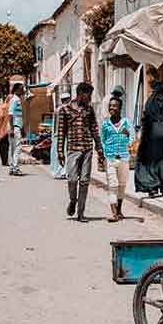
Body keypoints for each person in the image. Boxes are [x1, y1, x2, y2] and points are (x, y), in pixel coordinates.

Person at [57, 82, 105, 223]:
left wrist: (99, 148)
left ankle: (81, 213)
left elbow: (94, 129)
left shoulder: (89, 110)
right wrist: (60, 152)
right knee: (72, 179)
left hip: (87, 149)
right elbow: (61, 132)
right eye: (88, 95)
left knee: (84, 182)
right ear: (80, 94)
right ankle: (73, 200)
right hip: (72, 149)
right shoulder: (65, 110)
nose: (90, 98)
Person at [135, 80, 163, 198]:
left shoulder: (150, 101)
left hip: (152, 134)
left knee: (152, 162)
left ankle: (153, 188)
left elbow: (145, 118)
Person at [101, 96, 133, 222]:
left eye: (114, 106)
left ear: (120, 108)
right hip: (110, 158)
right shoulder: (105, 124)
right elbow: (102, 140)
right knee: (113, 185)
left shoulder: (126, 123)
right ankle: (114, 213)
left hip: (124, 158)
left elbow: (131, 137)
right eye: (110, 106)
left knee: (122, 185)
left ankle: (119, 210)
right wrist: (103, 154)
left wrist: (129, 143)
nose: (112, 108)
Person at [7, 83, 25, 176]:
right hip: (15, 127)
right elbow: (10, 115)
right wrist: (11, 128)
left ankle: (12, 167)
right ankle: (15, 168)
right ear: (17, 90)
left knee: (13, 149)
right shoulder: (15, 100)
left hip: (16, 126)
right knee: (18, 148)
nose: (23, 90)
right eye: (21, 89)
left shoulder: (16, 99)